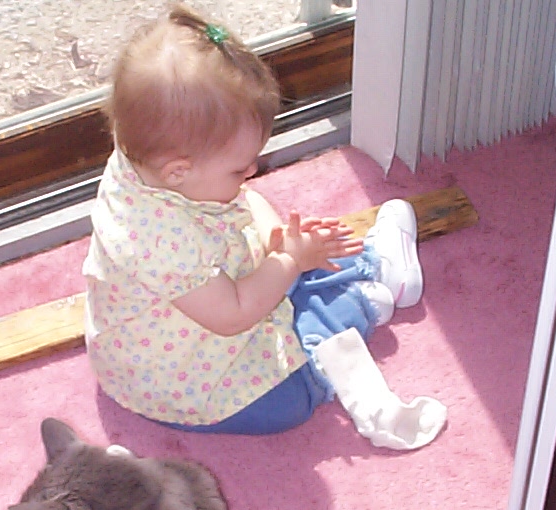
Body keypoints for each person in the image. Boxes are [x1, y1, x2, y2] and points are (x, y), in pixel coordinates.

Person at [82, 5, 447, 449]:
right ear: (179, 171)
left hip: (182, 319)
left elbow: (244, 201)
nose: (253, 172)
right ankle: (358, 300)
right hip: (197, 380)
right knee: (287, 398)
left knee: (292, 258)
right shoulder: (158, 244)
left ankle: (364, 272)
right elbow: (235, 314)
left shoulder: (143, 157)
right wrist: (288, 259)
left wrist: (279, 243)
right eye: (239, 169)